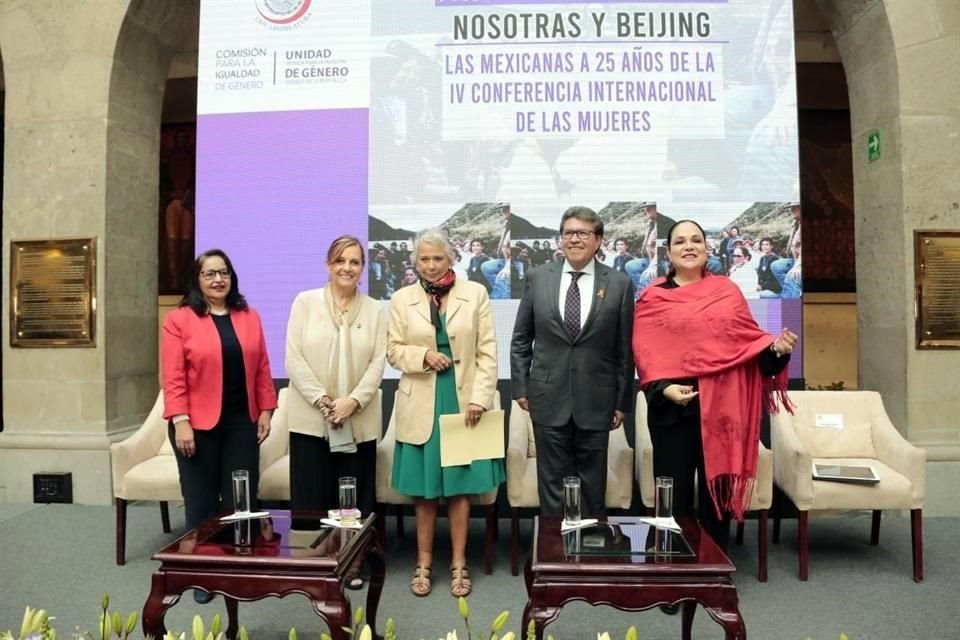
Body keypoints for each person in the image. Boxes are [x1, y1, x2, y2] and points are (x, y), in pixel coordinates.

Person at [632, 220, 797, 555]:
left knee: (715, 495)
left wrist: (776, 351)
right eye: (680, 241)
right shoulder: (653, 297)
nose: (688, 246)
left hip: (722, 409)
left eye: (696, 240)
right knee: (672, 496)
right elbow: (645, 354)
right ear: (669, 251)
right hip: (673, 410)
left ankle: (713, 566)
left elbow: (746, 346)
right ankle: (670, 564)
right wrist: (664, 389)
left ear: (707, 249)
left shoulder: (727, 291)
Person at [388, 228, 503, 598]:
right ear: (415, 261)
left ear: (451, 258)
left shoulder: (476, 294)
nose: (432, 265)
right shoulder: (402, 298)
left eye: (438, 258)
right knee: (424, 492)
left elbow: (487, 352)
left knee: (460, 490)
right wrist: (422, 356)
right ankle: (422, 563)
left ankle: (458, 564)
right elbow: (393, 350)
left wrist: (480, 399)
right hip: (420, 399)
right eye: (424, 259)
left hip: (462, 401)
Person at [161, 249, 277, 602]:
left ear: (232, 277)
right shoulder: (180, 320)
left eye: (223, 272)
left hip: (242, 422)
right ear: (197, 280)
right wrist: (181, 422)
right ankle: (201, 573)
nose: (217, 279)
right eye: (209, 273)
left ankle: (240, 567)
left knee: (242, 499)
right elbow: (174, 376)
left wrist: (267, 410)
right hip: (196, 426)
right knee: (201, 501)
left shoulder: (249, 316)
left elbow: (262, 368)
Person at [510, 206, 635, 518]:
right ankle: (555, 556)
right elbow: (522, 339)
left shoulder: (619, 283)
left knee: (593, 484)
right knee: (552, 482)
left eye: (583, 233)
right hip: (547, 397)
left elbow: (624, 350)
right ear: (560, 239)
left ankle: (590, 555)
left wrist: (621, 402)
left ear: (598, 240)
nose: (574, 239)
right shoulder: (538, 278)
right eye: (568, 233)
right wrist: (521, 387)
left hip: (597, 400)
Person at [284, 236, 387, 589]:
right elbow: (293, 358)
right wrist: (324, 401)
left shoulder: (376, 309)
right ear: (329, 265)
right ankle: (311, 566)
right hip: (312, 419)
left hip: (357, 420)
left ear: (362, 269)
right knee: (313, 494)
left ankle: (351, 563)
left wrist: (352, 401)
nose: (347, 267)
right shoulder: (305, 302)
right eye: (340, 261)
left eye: (355, 262)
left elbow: (377, 364)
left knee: (352, 498)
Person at [771, 202, 802, 298]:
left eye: (794, 207)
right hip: (796, 259)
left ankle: (790, 299)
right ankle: (791, 291)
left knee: (792, 276)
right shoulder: (796, 224)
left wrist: (798, 267)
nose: (791, 210)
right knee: (776, 266)